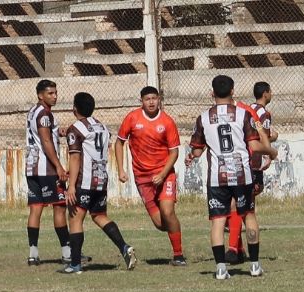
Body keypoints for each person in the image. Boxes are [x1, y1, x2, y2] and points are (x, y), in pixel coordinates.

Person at [186, 75, 278, 280]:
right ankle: (254, 265)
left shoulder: (203, 117)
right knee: (249, 216)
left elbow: (198, 151)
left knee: (218, 221)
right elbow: (254, 146)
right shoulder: (242, 114)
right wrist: (271, 152)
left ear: (212, 93)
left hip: (217, 178)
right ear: (233, 91)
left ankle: (220, 268)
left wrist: (191, 155)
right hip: (241, 174)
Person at [61, 92, 137, 274]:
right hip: (100, 180)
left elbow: (76, 157)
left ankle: (76, 264)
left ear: (74, 108)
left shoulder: (76, 129)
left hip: (84, 182)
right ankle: (124, 247)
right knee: (99, 216)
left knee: (75, 218)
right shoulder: (103, 127)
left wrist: (71, 186)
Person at [114, 86, 186, 266]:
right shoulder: (132, 118)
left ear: (159, 99)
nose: (151, 102)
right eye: (148, 99)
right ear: (141, 101)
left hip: (164, 174)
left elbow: (174, 153)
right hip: (143, 178)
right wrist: (121, 170)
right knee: (161, 224)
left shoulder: (167, 121)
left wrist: (162, 174)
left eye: (154, 98)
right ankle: (173, 228)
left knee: (168, 212)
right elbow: (119, 143)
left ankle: (178, 255)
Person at [226, 81, 278, 264]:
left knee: (239, 206)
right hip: (249, 164)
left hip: (233, 165)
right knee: (244, 207)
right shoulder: (257, 112)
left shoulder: (246, 109)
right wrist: (270, 148)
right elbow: (262, 134)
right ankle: (236, 248)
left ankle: (237, 248)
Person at [25, 79, 73, 266]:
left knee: (35, 208)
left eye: (55, 93)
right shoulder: (45, 115)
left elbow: (41, 135)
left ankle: (33, 253)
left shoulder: (32, 111)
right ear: (40, 95)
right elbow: (46, 142)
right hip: (47, 169)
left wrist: (57, 132)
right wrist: (59, 166)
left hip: (32, 167)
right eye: (50, 93)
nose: (54, 96)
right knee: (59, 207)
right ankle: (67, 253)